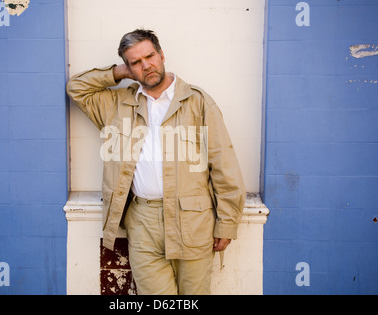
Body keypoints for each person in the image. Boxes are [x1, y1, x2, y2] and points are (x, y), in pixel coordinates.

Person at [67, 29, 246, 295]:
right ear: (128, 68)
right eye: (135, 62)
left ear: (162, 55)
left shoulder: (197, 101)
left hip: (193, 219)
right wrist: (118, 73)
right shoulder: (115, 104)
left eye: (149, 56)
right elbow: (76, 88)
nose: (146, 65)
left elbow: (223, 163)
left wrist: (227, 222)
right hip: (142, 221)